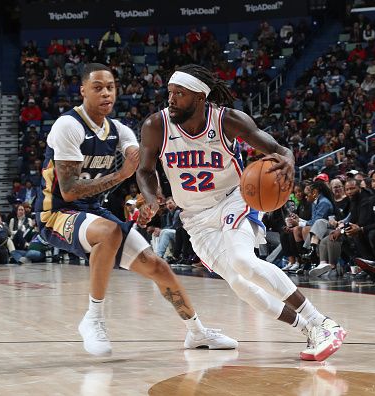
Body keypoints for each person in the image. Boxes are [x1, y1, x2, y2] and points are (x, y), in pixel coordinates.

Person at [136, 64, 346, 361]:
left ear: (199, 97)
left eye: (179, 94)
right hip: (194, 216)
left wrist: (287, 162)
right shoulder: (156, 125)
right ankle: (307, 329)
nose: (170, 99)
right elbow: (144, 171)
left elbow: (278, 149)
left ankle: (322, 322)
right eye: (170, 92)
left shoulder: (227, 120)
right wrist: (151, 199)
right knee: (239, 283)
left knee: (243, 262)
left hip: (233, 199)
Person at [34, 63, 236, 357]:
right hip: (55, 213)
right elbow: (69, 190)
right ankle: (93, 318)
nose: (106, 94)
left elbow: (140, 165)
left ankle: (196, 332)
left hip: (92, 212)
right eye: (98, 88)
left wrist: (148, 200)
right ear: (82, 92)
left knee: (158, 267)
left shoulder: (119, 130)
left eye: (111, 88)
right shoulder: (69, 126)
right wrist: (119, 176)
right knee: (109, 231)